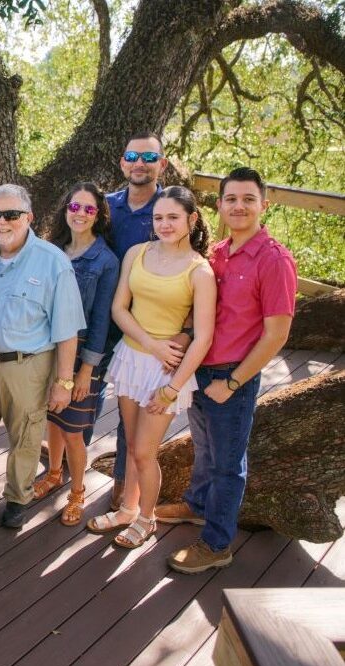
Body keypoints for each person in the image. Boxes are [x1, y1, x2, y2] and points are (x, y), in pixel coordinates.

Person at [157, 167, 296, 573]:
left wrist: (233, 383)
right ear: (219, 205)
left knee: (228, 463)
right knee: (203, 445)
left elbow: (276, 335)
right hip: (201, 367)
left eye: (248, 199)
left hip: (233, 373)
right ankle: (197, 506)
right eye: (231, 199)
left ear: (263, 205)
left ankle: (217, 544)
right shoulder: (217, 253)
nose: (239, 206)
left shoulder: (274, 260)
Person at [87, 186, 216, 549]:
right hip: (133, 359)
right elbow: (119, 310)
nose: (165, 224)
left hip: (167, 373)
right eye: (158, 217)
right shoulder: (136, 253)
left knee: (145, 451)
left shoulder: (199, 271)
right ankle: (127, 508)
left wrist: (173, 386)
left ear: (191, 219)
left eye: (173, 217)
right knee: (130, 443)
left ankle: (148, 518)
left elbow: (203, 337)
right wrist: (152, 344)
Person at [0, 184, 85, 529]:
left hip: (27, 365)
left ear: (28, 217)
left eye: (11, 214)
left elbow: (67, 329)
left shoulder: (53, 261)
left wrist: (64, 381)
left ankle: (16, 497)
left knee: (26, 436)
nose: (2, 222)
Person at [97, 133, 180, 510]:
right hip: (101, 317)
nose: (140, 162)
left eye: (149, 156)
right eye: (132, 155)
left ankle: (124, 484)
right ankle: (70, 466)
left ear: (162, 164)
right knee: (85, 394)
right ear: (122, 162)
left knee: (131, 412)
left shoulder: (168, 210)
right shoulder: (106, 207)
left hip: (145, 327)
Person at [35, 184, 119, 526]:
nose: (80, 214)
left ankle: (78, 492)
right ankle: (53, 474)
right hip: (47, 348)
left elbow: (102, 320)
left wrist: (86, 371)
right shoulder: (51, 249)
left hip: (84, 351)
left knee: (73, 429)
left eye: (89, 209)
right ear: (65, 209)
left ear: (98, 216)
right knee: (53, 419)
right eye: (75, 206)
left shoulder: (106, 261)